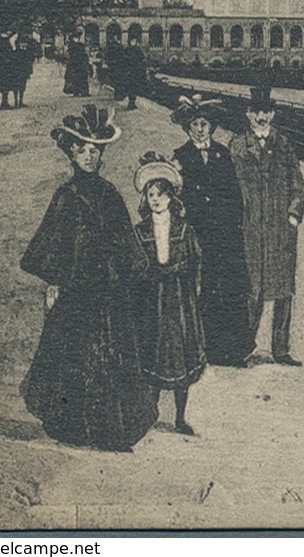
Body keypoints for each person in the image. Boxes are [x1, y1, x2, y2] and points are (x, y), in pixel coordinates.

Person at [19, 105, 157, 451]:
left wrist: (131, 276)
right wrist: (53, 282)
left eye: (95, 151)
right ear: (72, 153)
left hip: (109, 292)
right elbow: (53, 243)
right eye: (83, 150)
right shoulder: (65, 196)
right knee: (73, 355)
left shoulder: (109, 193)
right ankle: (73, 428)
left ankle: (110, 430)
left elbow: (126, 241)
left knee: (112, 356)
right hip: (76, 291)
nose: (90, 157)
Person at [173, 94, 256, 367]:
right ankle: (202, 349)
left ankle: (232, 350)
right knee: (202, 288)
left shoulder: (222, 153)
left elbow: (234, 194)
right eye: (195, 124)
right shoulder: (180, 157)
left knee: (229, 289)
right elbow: (177, 197)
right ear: (188, 128)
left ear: (211, 126)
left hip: (224, 234)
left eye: (204, 123)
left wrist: (233, 224)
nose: (200, 128)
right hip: (197, 234)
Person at [229, 85, 304, 366]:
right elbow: (229, 188)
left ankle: (281, 349)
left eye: (266, 112)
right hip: (250, 229)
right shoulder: (237, 146)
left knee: (283, 290)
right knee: (252, 289)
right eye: (256, 112)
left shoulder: (284, 145)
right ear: (249, 115)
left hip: (279, 230)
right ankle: (244, 348)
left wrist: (293, 215)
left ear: (273, 115)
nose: (261, 117)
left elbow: (298, 186)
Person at [130, 153, 206, 434]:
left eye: (161, 194)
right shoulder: (139, 232)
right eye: (151, 194)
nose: (156, 199)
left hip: (178, 302)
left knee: (179, 357)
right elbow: (135, 266)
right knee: (151, 354)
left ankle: (179, 418)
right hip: (151, 302)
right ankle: (149, 414)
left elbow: (196, 260)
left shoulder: (184, 229)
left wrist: (184, 274)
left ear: (171, 197)